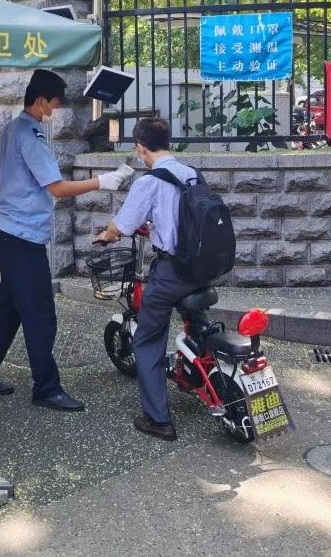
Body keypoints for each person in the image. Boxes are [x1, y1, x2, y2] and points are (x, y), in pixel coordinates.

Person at [0, 69, 132, 412]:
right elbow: (56, 188)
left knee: (9, 308)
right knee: (40, 313)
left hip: (7, 230)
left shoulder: (14, 128)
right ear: (40, 101)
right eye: (53, 104)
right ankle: (47, 388)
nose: (54, 110)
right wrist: (103, 181)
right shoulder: (30, 136)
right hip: (21, 235)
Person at [94, 117, 198, 441]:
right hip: (201, 269)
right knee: (198, 325)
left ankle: (158, 420)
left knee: (148, 339)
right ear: (167, 141)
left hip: (171, 273)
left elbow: (121, 226)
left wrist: (105, 235)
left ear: (141, 148)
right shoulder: (191, 174)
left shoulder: (149, 182)